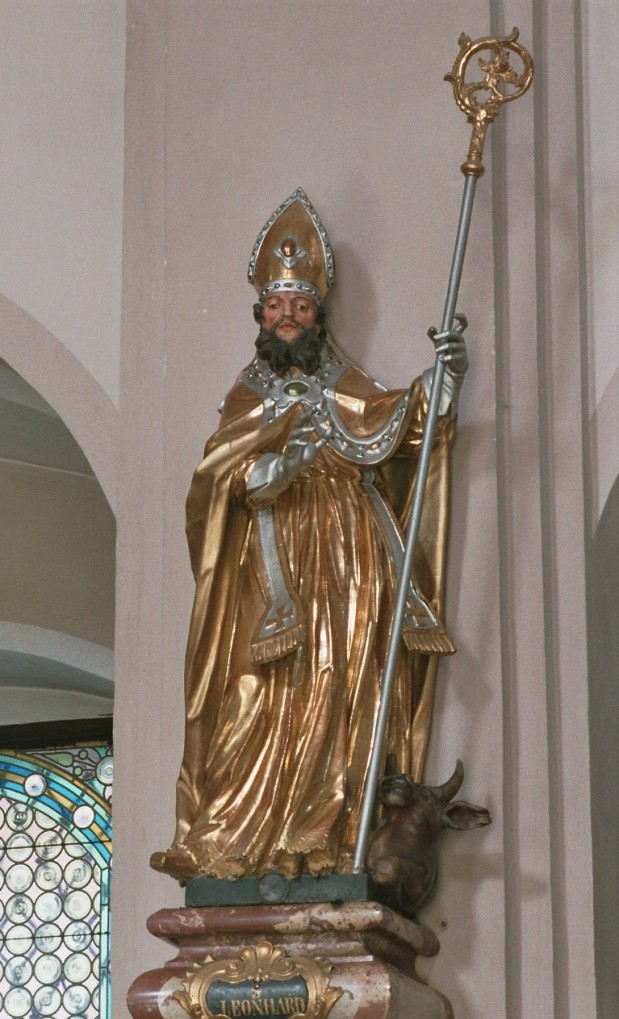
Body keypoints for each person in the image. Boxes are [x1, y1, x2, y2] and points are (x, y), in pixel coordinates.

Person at [151, 188, 467, 883]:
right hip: (267, 576)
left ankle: (326, 830)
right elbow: (217, 479)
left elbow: (398, 426)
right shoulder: (246, 395)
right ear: (259, 316)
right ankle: (243, 839)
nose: (287, 316)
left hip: (346, 560)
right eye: (275, 306)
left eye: (299, 306)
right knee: (256, 695)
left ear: (318, 316)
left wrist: (440, 383)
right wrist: (265, 469)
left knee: (338, 682)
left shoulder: (345, 384)